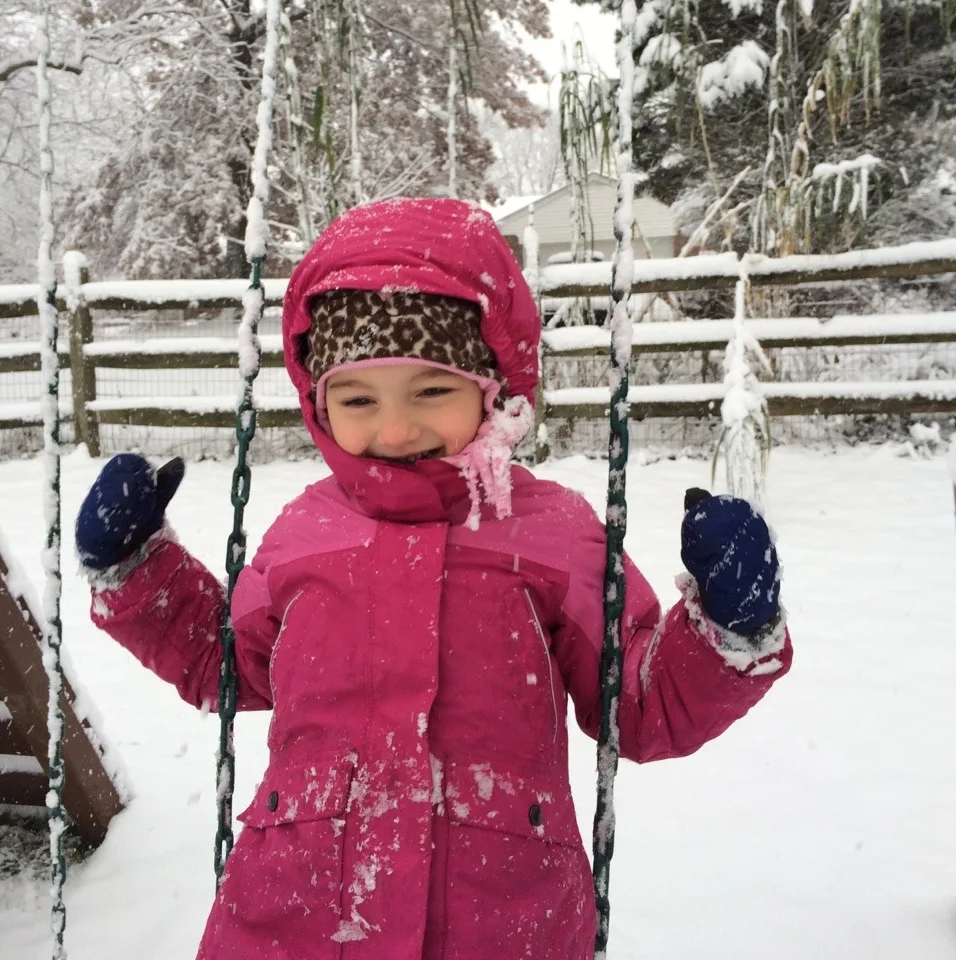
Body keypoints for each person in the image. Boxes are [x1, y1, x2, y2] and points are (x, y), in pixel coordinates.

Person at [75, 197, 792, 960]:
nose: (393, 428)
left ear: (493, 388)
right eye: (357, 399)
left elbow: (639, 702)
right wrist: (136, 569)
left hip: (496, 919)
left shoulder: (554, 534)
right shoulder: (303, 536)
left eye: (430, 392)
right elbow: (231, 667)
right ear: (318, 406)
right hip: (295, 919)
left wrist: (727, 629)